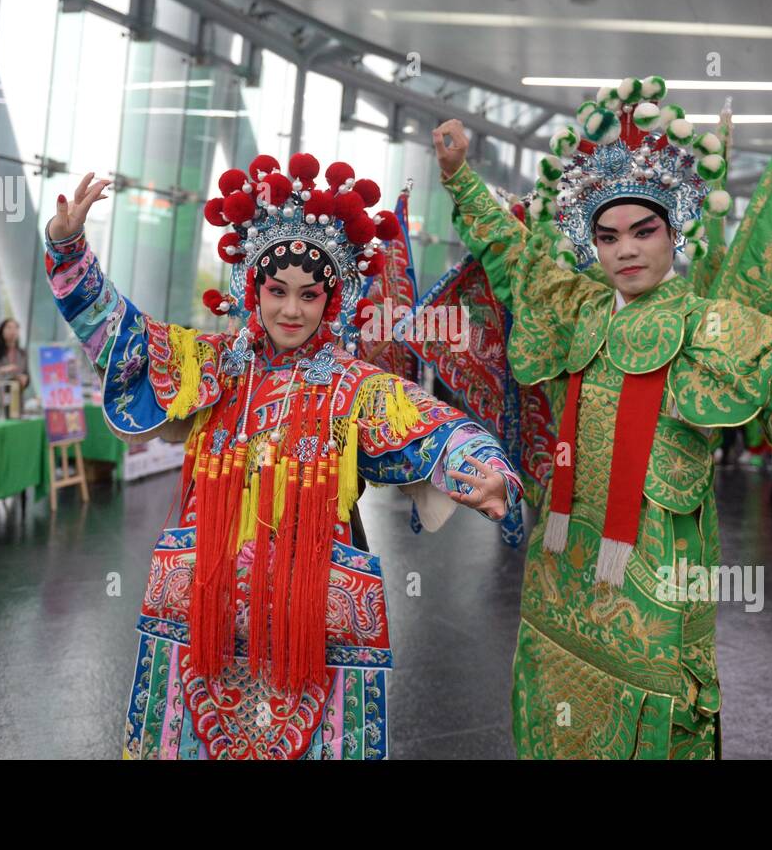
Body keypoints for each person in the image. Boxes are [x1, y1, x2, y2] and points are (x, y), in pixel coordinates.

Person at [432, 71, 772, 759]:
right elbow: (513, 256)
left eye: (643, 230)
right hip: (562, 566)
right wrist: (459, 177)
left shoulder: (706, 325)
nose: (625, 249)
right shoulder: (576, 305)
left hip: (655, 575)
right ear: (591, 242)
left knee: (657, 720)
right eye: (607, 236)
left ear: (673, 229)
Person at [46, 162, 523, 760]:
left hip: (310, 617)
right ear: (254, 289)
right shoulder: (212, 365)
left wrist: (486, 469)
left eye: (309, 294)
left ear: (332, 298)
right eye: (278, 292)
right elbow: (121, 335)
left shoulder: (355, 387)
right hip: (206, 611)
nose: (292, 310)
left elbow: (436, 426)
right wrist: (70, 253)